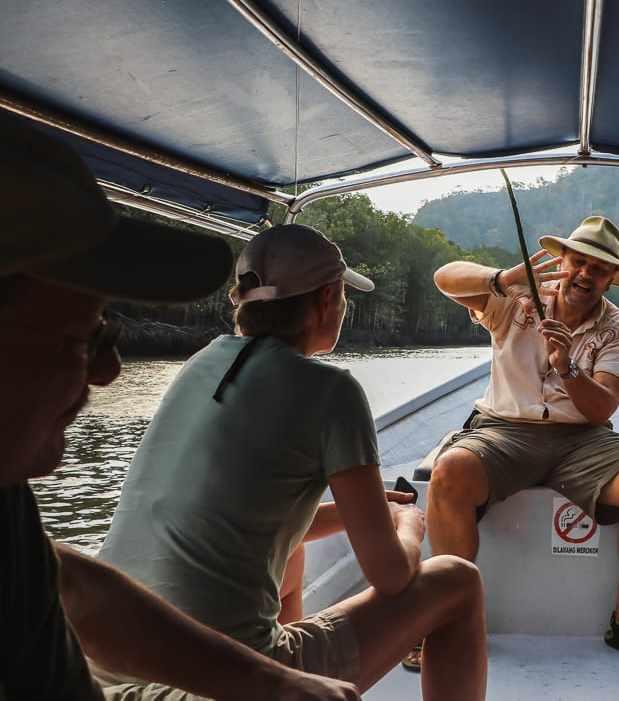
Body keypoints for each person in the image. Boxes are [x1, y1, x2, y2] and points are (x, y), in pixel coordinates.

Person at [0, 113, 360, 699]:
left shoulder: (7, 494)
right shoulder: (327, 389)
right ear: (326, 302)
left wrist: (273, 683)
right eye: (77, 338)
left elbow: (77, 590)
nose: (109, 371)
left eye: (106, 333)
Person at [94, 223, 487, 700]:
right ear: (327, 299)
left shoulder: (200, 364)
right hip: (220, 677)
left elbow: (244, 519)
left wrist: (361, 513)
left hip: (108, 661)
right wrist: (408, 524)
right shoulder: (332, 390)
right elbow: (391, 575)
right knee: (458, 581)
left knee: (293, 554)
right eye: (344, 296)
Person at [427, 216, 619, 670]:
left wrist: (567, 367)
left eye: (598, 269)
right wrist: (503, 279)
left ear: (611, 279)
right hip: (504, 431)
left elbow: (601, 409)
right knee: (449, 472)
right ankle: (450, 618)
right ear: (561, 261)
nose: (585, 274)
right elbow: (444, 278)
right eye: (578, 262)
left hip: (582, 439)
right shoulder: (516, 299)